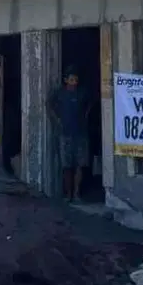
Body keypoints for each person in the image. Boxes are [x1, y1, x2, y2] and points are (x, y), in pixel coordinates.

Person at [50, 66, 92, 202]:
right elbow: (49, 105)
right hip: (65, 134)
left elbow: (91, 104)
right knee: (66, 166)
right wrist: (57, 121)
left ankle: (77, 193)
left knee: (80, 165)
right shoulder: (60, 94)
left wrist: (86, 117)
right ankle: (68, 194)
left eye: (76, 79)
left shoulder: (82, 93)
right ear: (66, 80)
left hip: (81, 134)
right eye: (71, 79)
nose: (74, 82)